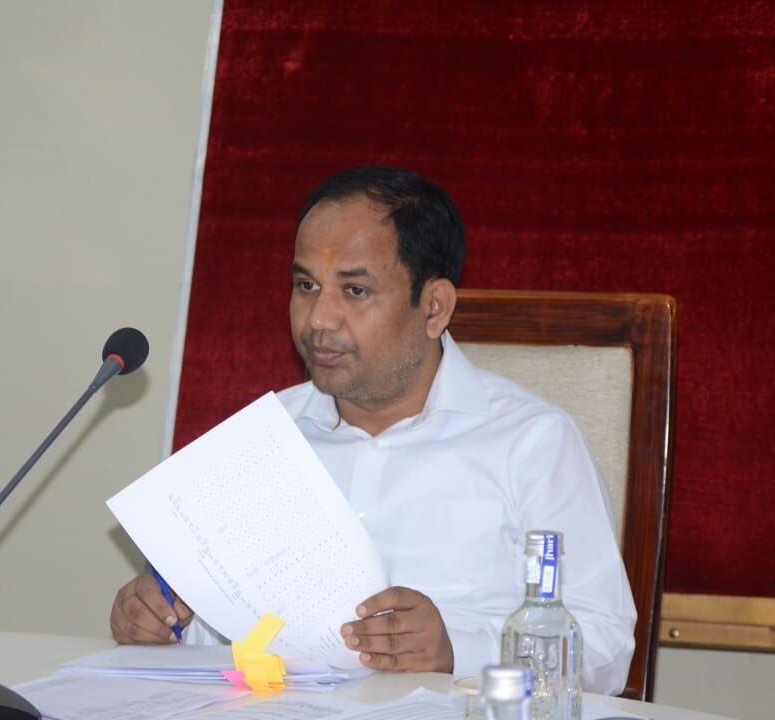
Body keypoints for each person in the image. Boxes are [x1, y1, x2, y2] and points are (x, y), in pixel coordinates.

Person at [110, 165, 636, 693]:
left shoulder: (532, 442)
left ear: (434, 307)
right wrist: (162, 621)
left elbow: (606, 650)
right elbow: (219, 629)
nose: (319, 319)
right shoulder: (261, 441)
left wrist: (456, 650)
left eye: (355, 290)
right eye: (306, 285)